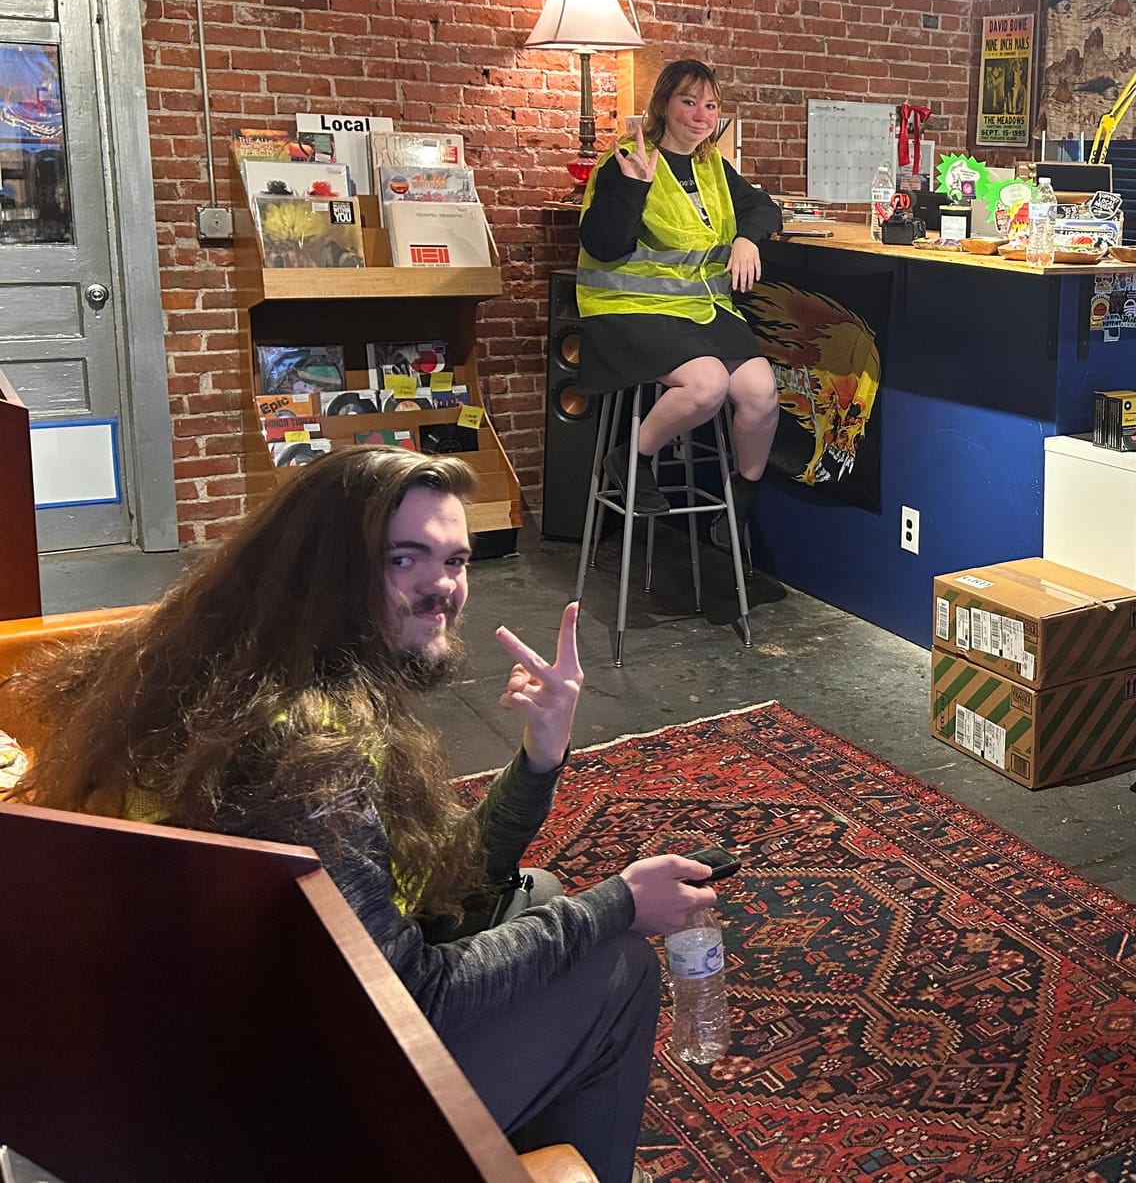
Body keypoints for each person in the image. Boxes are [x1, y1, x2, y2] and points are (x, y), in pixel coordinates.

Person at [16, 447, 719, 1182]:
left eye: (455, 561)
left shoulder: (227, 668)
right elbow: (416, 997)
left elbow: (442, 882)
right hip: (274, 1118)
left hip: (200, 1048)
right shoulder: (310, 751)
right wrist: (619, 905)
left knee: (533, 895)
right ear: (326, 569)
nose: (441, 587)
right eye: (402, 560)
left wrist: (541, 756)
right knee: (618, 968)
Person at [577, 57, 782, 557]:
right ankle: (633, 459)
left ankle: (741, 496)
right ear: (663, 106)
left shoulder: (712, 165)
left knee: (761, 394)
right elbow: (602, 244)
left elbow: (763, 206)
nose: (701, 115)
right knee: (708, 385)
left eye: (710, 105)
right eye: (689, 102)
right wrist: (633, 187)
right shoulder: (626, 159)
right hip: (628, 309)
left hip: (703, 310)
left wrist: (747, 239)